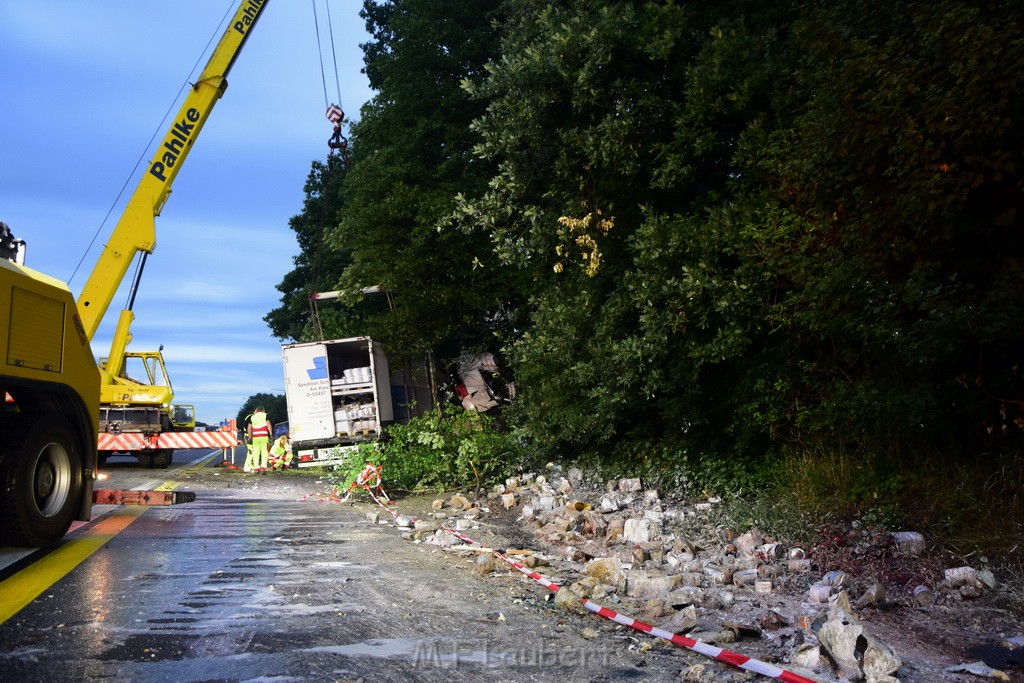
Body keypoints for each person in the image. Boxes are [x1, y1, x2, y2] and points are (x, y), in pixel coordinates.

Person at [245, 407, 271, 474]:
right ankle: (263, 468)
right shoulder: (265, 415)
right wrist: (271, 434)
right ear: (262, 410)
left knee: (256, 452)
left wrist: (250, 437)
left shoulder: (252, 417)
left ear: (256, 410)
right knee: (264, 452)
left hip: (255, 437)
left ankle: (256, 468)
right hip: (264, 436)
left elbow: (249, 427)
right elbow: (268, 424)